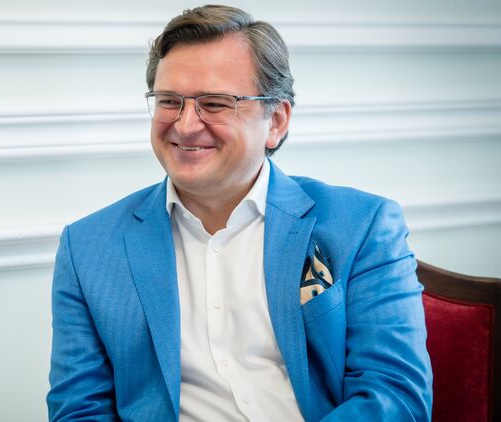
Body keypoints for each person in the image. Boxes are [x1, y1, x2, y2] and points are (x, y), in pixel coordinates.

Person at [46, 5, 432, 421]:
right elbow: (79, 411)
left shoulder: (362, 225)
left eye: (214, 103)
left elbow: (395, 398)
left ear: (276, 121)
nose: (185, 125)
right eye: (169, 101)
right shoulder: (87, 248)